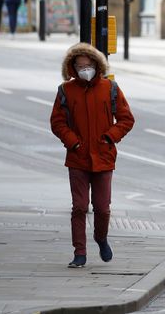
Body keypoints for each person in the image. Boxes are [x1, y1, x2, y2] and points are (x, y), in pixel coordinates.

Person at [50, 43, 135, 269]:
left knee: (102, 207)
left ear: (96, 65)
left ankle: (101, 237)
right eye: (79, 66)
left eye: (88, 65)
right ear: (72, 68)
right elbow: (57, 123)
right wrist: (73, 142)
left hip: (104, 157)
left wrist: (109, 137)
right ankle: (80, 252)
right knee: (79, 206)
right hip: (78, 158)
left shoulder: (111, 88)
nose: (84, 69)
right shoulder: (65, 91)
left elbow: (127, 119)